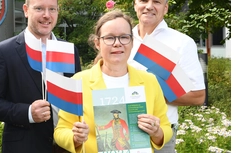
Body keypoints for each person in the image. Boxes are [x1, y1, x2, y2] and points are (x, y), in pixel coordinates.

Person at [0, 0, 82, 153]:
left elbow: (78, 98)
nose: (47, 15)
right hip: (25, 146)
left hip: (67, 146)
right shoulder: (3, 52)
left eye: (52, 9)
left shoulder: (69, 50)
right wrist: (27, 112)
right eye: (39, 9)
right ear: (26, 10)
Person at [54, 10, 172, 153]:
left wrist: (157, 132)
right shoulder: (78, 82)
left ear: (132, 42)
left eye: (124, 37)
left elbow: (165, 127)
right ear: (97, 43)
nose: (117, 44)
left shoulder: (149, 81)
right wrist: (75, 137)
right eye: (109, 38)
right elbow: (60, 131)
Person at [128, 0, 206, 152]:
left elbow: (198, 96)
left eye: (156, 1)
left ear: (166, 8)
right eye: (143, 0)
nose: (149, 6)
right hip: (123, 132)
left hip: (160, 134)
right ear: (135, 5)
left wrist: (152, 95)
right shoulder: (123, 39)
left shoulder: (181, 42)